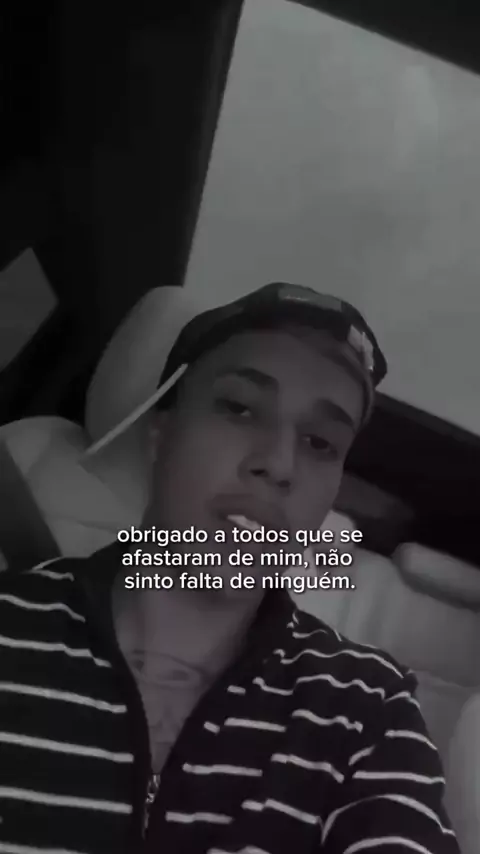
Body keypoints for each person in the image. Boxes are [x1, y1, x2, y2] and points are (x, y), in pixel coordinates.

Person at [0, 282, 459, 854]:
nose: (280, 463)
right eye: (239, 408)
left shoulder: (367, 704)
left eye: (321, 442)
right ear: (160, 436)